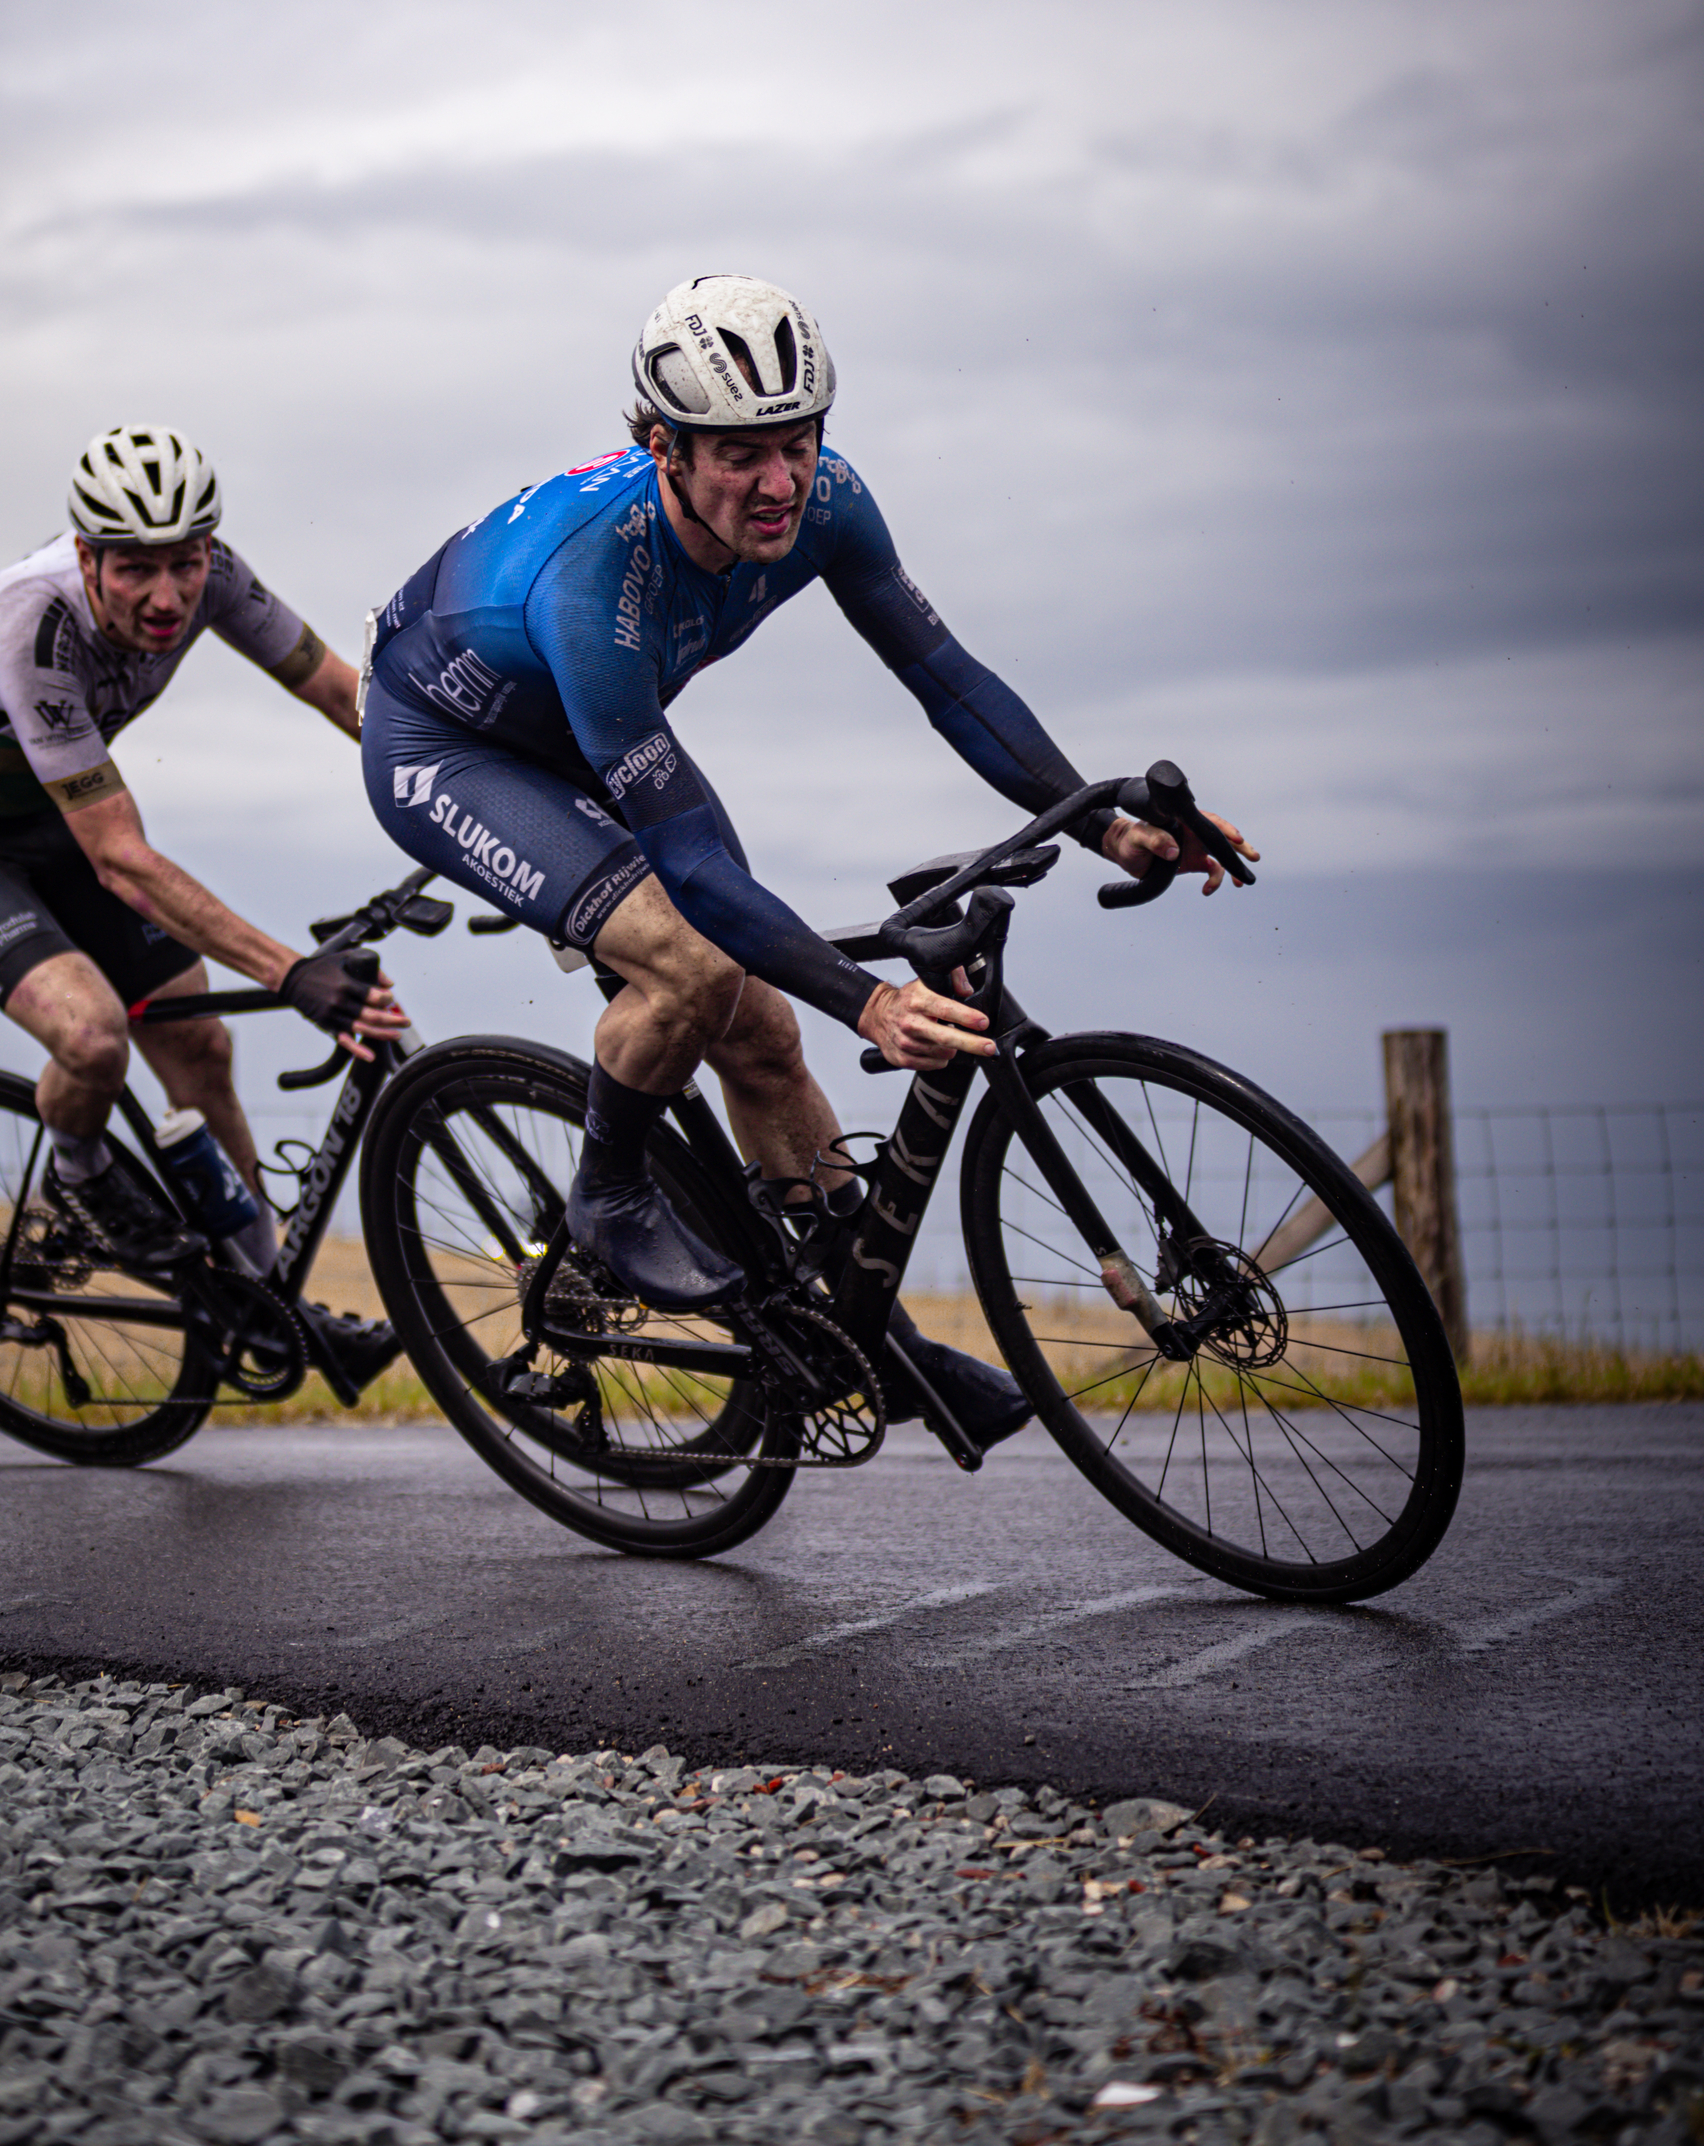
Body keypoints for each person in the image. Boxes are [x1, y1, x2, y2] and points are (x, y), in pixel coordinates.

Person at [361, 280, 1257, 1451]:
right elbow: (686, 862)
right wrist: (870, 1002)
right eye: (740, 455)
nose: (779, 482)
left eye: (798, 443)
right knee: (689, 967)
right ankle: (608, 1194)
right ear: (661, 448)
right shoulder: (592, 579)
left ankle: (855, 1335)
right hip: (452, 748)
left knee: (765, 1032)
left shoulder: (827, 502)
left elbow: (947, 678)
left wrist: (1100, 821)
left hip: (587, 736)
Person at [0, 422, 409, 1385]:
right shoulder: (28, 627)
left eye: (187, 565)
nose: (168, 597)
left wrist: (468, 788)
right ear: (87, 556)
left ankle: (268, 1297)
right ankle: (77, 1184)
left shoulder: (217, 578)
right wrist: (291, 970)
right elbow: (119, 857)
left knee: (200, 1046)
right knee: (92, 1035)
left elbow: (338, 691)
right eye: (137, 571)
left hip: (51, 820)